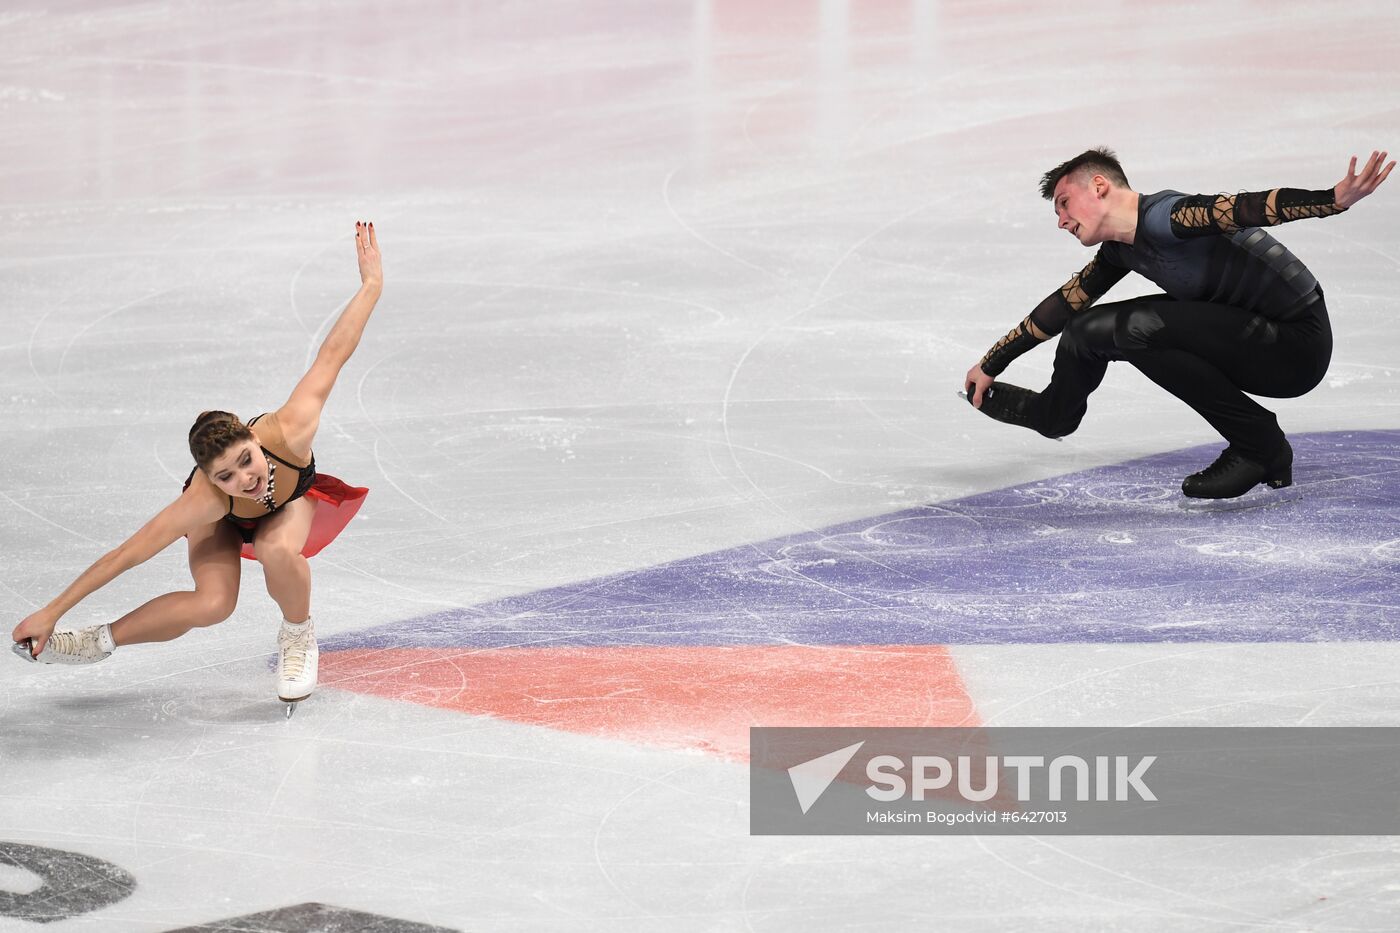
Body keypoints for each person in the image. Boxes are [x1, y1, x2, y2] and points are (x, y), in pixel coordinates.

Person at [10, 222, 384, 706]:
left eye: (246, 461)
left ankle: (297, 636)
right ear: (207, 479)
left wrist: (371, 285)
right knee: (213, 603)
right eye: (225, 476)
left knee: (276, 551)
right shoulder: (204, 500)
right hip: (223, 525)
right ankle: (97, 641)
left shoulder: (289, 430)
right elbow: (127, 554)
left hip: (289, 505)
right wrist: (52, 610)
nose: (244, 480)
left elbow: (333, 354)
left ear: (254, 437)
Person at [963, 149, 1394, 498]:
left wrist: (1331, 200)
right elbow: (1063, 306)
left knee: (1134, 327)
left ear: (1098, 186)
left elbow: (1241, 209)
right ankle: (1053, 414)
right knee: (1088, 331)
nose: (1060, 221)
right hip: (1246, 338)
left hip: (1295, 344)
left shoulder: (1165, 216)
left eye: (1063, 203)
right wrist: (991, 364)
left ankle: (1260, 448)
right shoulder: (1121, 249)